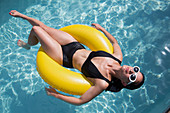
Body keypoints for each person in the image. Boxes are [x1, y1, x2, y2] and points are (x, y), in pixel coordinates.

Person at [9, 10, 145, 105]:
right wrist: (101, 29)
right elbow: (114, 42)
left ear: (124, 83)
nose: (132, 71)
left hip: (63, 57)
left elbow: (81, 101)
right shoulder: (117, 57)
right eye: (136, 70)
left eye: (133, 77)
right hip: (74, 45)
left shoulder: (102, 83)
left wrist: (55, 94)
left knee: (36, 30)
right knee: (43, 27)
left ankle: (27, 46)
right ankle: (23, 18)